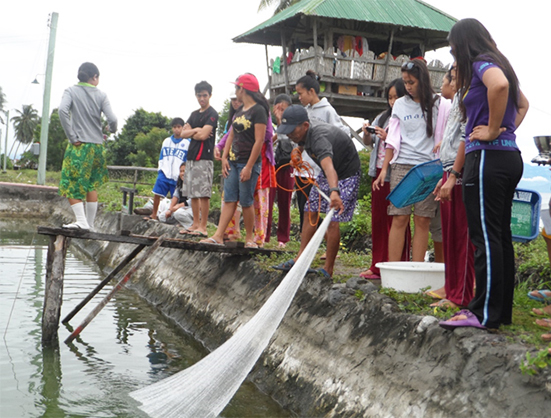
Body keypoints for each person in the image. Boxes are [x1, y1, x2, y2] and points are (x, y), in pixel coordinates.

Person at [440, 18, 529, 330]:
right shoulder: (499, 62)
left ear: (464, 44)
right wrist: (505, 132)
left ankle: (482, 313)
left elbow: (500, 87)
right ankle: (499, 312)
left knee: (485, 237)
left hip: (489, 159)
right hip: (508, 157)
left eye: (453, 49)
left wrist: (492, 131)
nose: (454, 57)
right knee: (500, 236)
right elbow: (523, 104)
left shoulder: (482, 63)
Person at [374, 59, 451, 263]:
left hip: (428, 168)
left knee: (422, 219)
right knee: (399, 216)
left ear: (422, 80)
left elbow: (452, 131)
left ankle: (416, 268)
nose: (407, 87)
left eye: (411, 82)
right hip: (403, 165)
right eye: (405, 82)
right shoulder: (400, 104)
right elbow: (392, 139)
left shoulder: (440, 104)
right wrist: (384, 169)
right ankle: (393, 267)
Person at [273, 105, 361, 278]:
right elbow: (302, 142)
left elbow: (329, 168)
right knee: (309, 209)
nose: (289, 134)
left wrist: (334, 192)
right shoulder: (303, 130)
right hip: (330, 172)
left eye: (292, 130)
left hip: (345, 174)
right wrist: (298, 151)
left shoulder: (319, 138)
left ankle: (328, 269)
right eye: (287, 130)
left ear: (305, 125)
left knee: (332, 219)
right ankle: (300, 259)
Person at [200, 73, 268, 247]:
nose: (236, 91)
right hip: (232, 161)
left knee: (246, 201)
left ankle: (249, 239)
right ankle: (218, 235)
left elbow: (259, 140)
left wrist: (249, 167)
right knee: (229, 199)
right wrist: (224, 157)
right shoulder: (239, 111)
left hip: (248, 162)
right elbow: (231, 134)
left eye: (237, 87)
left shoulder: (259, 111)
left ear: (243, 89)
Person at [431, 66, 475, 308]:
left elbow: (463, 137)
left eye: (454, 76)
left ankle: (461, 295)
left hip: (459, 172)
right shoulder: (459, 97)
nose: (449, 81)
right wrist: (445, 174)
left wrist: (454, 174)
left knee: (462, 237)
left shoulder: (469, 95)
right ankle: (452, 288)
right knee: (450, 235)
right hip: (449, 169)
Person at [360, 79, 410, 280]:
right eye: (389, 98)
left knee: (397, 220)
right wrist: (367, 133)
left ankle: (397, 264)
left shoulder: (407, 118)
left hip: (396, 173)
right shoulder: (382, 118)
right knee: (379, 220)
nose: (392, 101)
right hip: (378, 172)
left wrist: (387, 136)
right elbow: (369, 144)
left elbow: (405, 144)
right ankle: (377, 265)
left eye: (396, 97)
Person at [58, 62, 117, 230]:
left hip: (79, 145)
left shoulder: (70, 91)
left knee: (70, 183)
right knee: (91, 184)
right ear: (95, 77)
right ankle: (89, 223)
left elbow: (62, 110)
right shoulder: (101, 95)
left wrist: (71, 136)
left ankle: (82, 221)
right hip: (97, 147)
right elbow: (112, 119)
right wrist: (111, 129)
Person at [180, 81, 219, 237]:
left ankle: (203, 226)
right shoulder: (194, 114)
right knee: (193, 192)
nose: (202, 98)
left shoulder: (212, 114)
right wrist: (197, 129)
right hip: (191, 156)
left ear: (210, 95)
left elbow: (204, 136)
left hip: (205, 156)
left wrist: (194, 132)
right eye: (199, 95)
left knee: (203, 193)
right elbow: (182, 133)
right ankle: (195, 223)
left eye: (204, 95)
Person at [147, 117, 190, 221]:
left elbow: (187, 160)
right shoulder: (166, 141)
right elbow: (161, 157)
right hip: (165, 172)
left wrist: (183, 174)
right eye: (174, 127)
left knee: (176, 198)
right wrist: (160, 170)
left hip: (177, 175)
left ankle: (175, 218)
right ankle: (154, 214)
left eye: (179, 127)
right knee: (157, 193)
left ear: (182, 128)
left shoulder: (187, 142)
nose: (176, 129)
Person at [215, 93, 243, 241]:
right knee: (228, 196)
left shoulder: (250, 115)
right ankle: (228, 229)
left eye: (238, 99)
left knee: (240, 198)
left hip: (242, 159)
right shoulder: (231, 121)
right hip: (230, 159)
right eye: (233, 99)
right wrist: (220, 148)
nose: (235, 102)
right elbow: (228, 137)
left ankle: (236, 230)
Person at [268, 93, 295, 248]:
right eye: (278, 109)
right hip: (272, 165)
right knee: (269, 200)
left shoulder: (293, 124)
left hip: (287, 165)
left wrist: (280, 123)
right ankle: (264, 235)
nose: (281, 112)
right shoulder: (267, 121)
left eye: (284, 109)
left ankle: (283, 238)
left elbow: (290, 143)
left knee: (285, 201)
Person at [158, 162, 193, 229]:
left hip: (191, 209)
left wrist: (179, 206)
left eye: (184, 171)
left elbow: (192, 201)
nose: (182, 173)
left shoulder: (193, 184)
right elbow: (175, 196)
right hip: (181, 209)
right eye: (181, 171)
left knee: (178, 213)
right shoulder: (180, 184)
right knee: (162, 216)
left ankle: (190, 226)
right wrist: (170, 210)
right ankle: (181, 222)